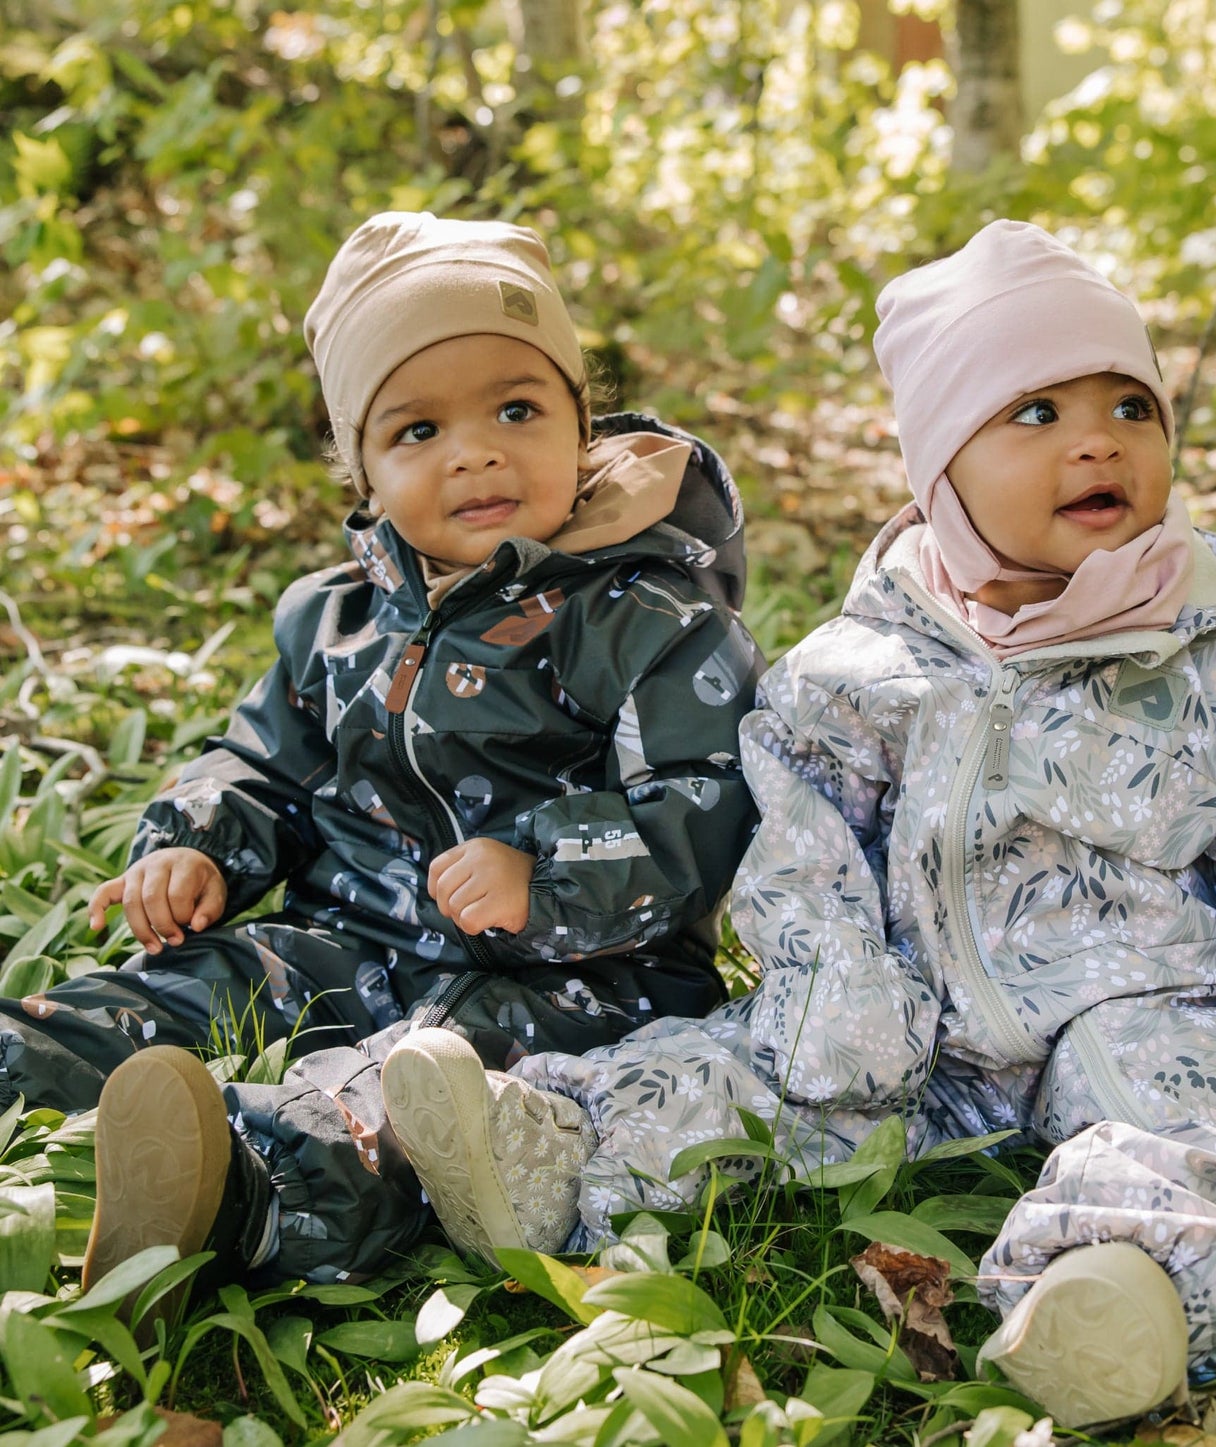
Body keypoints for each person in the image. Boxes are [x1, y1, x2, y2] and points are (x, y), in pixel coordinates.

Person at [388, 220, 1216, 1428]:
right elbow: (797, 853)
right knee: (743, 1073)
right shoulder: (857, 671)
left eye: (1129, 407)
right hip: (911, 1021)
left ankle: (1117, 1287)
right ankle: (548, 1148)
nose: (1097, 437)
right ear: (941, 467)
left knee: (1181, 1116)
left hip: (1140, 1011)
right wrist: (839, 998)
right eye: (1033, 414)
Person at [0, 211, 763, 1296]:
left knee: (414, 1101)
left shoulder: (653, 617)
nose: (475, 450)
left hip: (579, 979)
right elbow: (262, 760)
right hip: (348, 931)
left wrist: (542, 873)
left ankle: (240, 1190)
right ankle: (29, 1058)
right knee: (180, 988)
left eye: (516, 408)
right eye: (417, 432)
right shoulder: (336, 619)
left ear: (579, 424)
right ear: (358, 471)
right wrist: (203, 841)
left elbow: (703, 806)